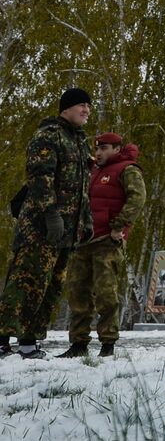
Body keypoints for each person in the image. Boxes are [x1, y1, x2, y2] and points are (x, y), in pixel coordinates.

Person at [0, 89, 95, 360]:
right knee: (26, 283)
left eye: (89, 106)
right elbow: (40, 177)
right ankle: (4, 340)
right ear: (65, 108)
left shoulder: (79, 141)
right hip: (41, 228)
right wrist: (50, 214)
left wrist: (85, 221)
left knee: (49, 287)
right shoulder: (49, 135)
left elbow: (82, 189)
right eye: (81, 105)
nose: (86, 110)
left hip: (66, 230)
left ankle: (30, 341)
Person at [58, 132, 147, 359]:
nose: (98, 153)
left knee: (106, 294)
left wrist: (120, 226)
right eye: (97, 148)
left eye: (104, 148)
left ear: (117, 149)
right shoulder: (94, 171)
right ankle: (78, 343)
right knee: (78, 293)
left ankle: (108, 344)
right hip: (83, 240)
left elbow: (137, 198)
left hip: (107, 241)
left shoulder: (128, 170)